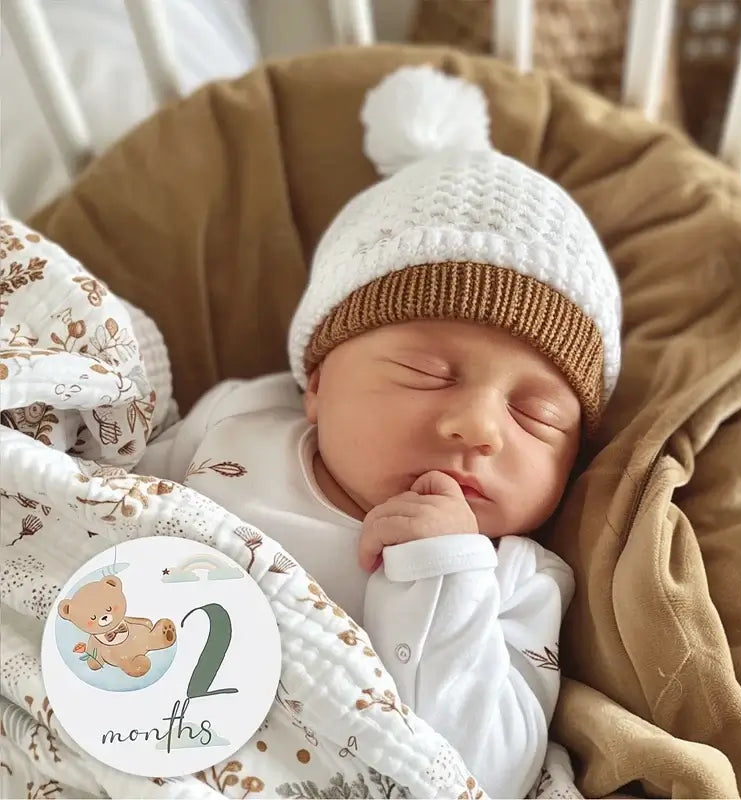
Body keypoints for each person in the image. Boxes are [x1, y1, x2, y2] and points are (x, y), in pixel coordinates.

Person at [138, 65, 621, 799]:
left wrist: (443, 574)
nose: (477, 426)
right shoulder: (238, 420)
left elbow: (486, 772)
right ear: (318, 384)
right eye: (427, 372)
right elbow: (107, 500)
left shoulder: (511, 580)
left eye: (538, 415)